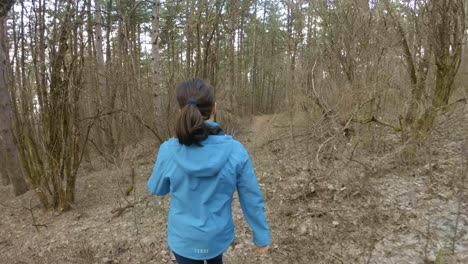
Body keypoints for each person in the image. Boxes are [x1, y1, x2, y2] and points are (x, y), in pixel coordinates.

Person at [147, 79, 271, 264]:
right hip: (217, 237)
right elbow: (251, 197)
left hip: (183, 239)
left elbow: (157, 189)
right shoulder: (235, 150)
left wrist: (169, 153)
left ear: (180, 111)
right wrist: (261, 235)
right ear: (214, 108)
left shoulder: (168, 150)